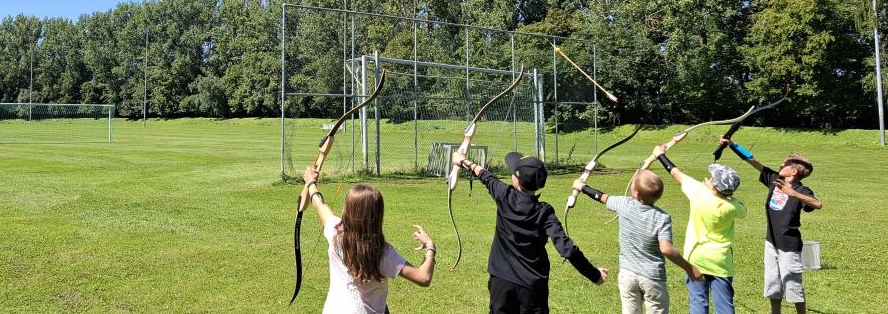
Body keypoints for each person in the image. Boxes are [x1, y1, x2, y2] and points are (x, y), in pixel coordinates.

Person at [453, 151, 608, 314]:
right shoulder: (545, 212)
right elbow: (567, 249)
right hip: (532, 288)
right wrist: (595, 275)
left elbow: (484, 174)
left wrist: (462, 161)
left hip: (501, 282)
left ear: (517, 179)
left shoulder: (504, 195)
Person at [301, 166, 436, 314]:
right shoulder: (383, 252)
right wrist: (430, 247)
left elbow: (319, 203)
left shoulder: (335, 233)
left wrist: (311, 182)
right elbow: (423, 277)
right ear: (377, 215)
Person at [572, 169, 704, 314]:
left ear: (635, 193)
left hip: (627, 275)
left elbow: (600, 196)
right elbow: (666, 248)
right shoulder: (662, 217)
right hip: (653, 279)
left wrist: (582, 187)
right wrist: (689, 268)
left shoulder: (623, 204)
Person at [719, 138, 822, 314]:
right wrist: (732, 145)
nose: (781, 164)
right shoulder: (775, 179)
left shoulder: (802, 190)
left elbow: (817, 204)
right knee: (773, 284)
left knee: (793, 286)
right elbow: (752, 160)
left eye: (785, 163)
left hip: (789, 246)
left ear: (793, 171)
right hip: (771, 242)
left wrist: (792, 193)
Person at [651, 145, 747, 314]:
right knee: (725, 305)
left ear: (714, 184)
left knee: (698, 302)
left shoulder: (699, 192)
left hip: (696, 258)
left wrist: (660, 155)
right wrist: (723, 194)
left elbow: (675, 173)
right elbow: (743, 210)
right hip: (721, 262)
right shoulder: (733, 207)